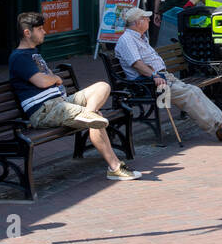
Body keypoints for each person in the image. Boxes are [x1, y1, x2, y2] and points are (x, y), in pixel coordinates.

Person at [9, 12, 139, 181]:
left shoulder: (34, 54)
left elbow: (47, 79)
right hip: (43, 110)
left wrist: (53, 80)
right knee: (97, 118)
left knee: (102, 86)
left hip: (59, 103)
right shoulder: (19, 57)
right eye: (40, 29)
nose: (44, 32)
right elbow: (41, 81)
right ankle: (114, 167)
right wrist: (55, 78)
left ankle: (88, 115)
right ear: (27, 33)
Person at [114, 8, 222, 140]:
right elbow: (137, 64)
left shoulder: (140, 38)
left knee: (194, 89)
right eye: (146, 18)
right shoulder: (127, 40)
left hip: (161, 77)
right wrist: (154, 76)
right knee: (188, 94)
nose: (149, 20)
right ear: (138, 22)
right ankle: (217, 127)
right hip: (147, 84)